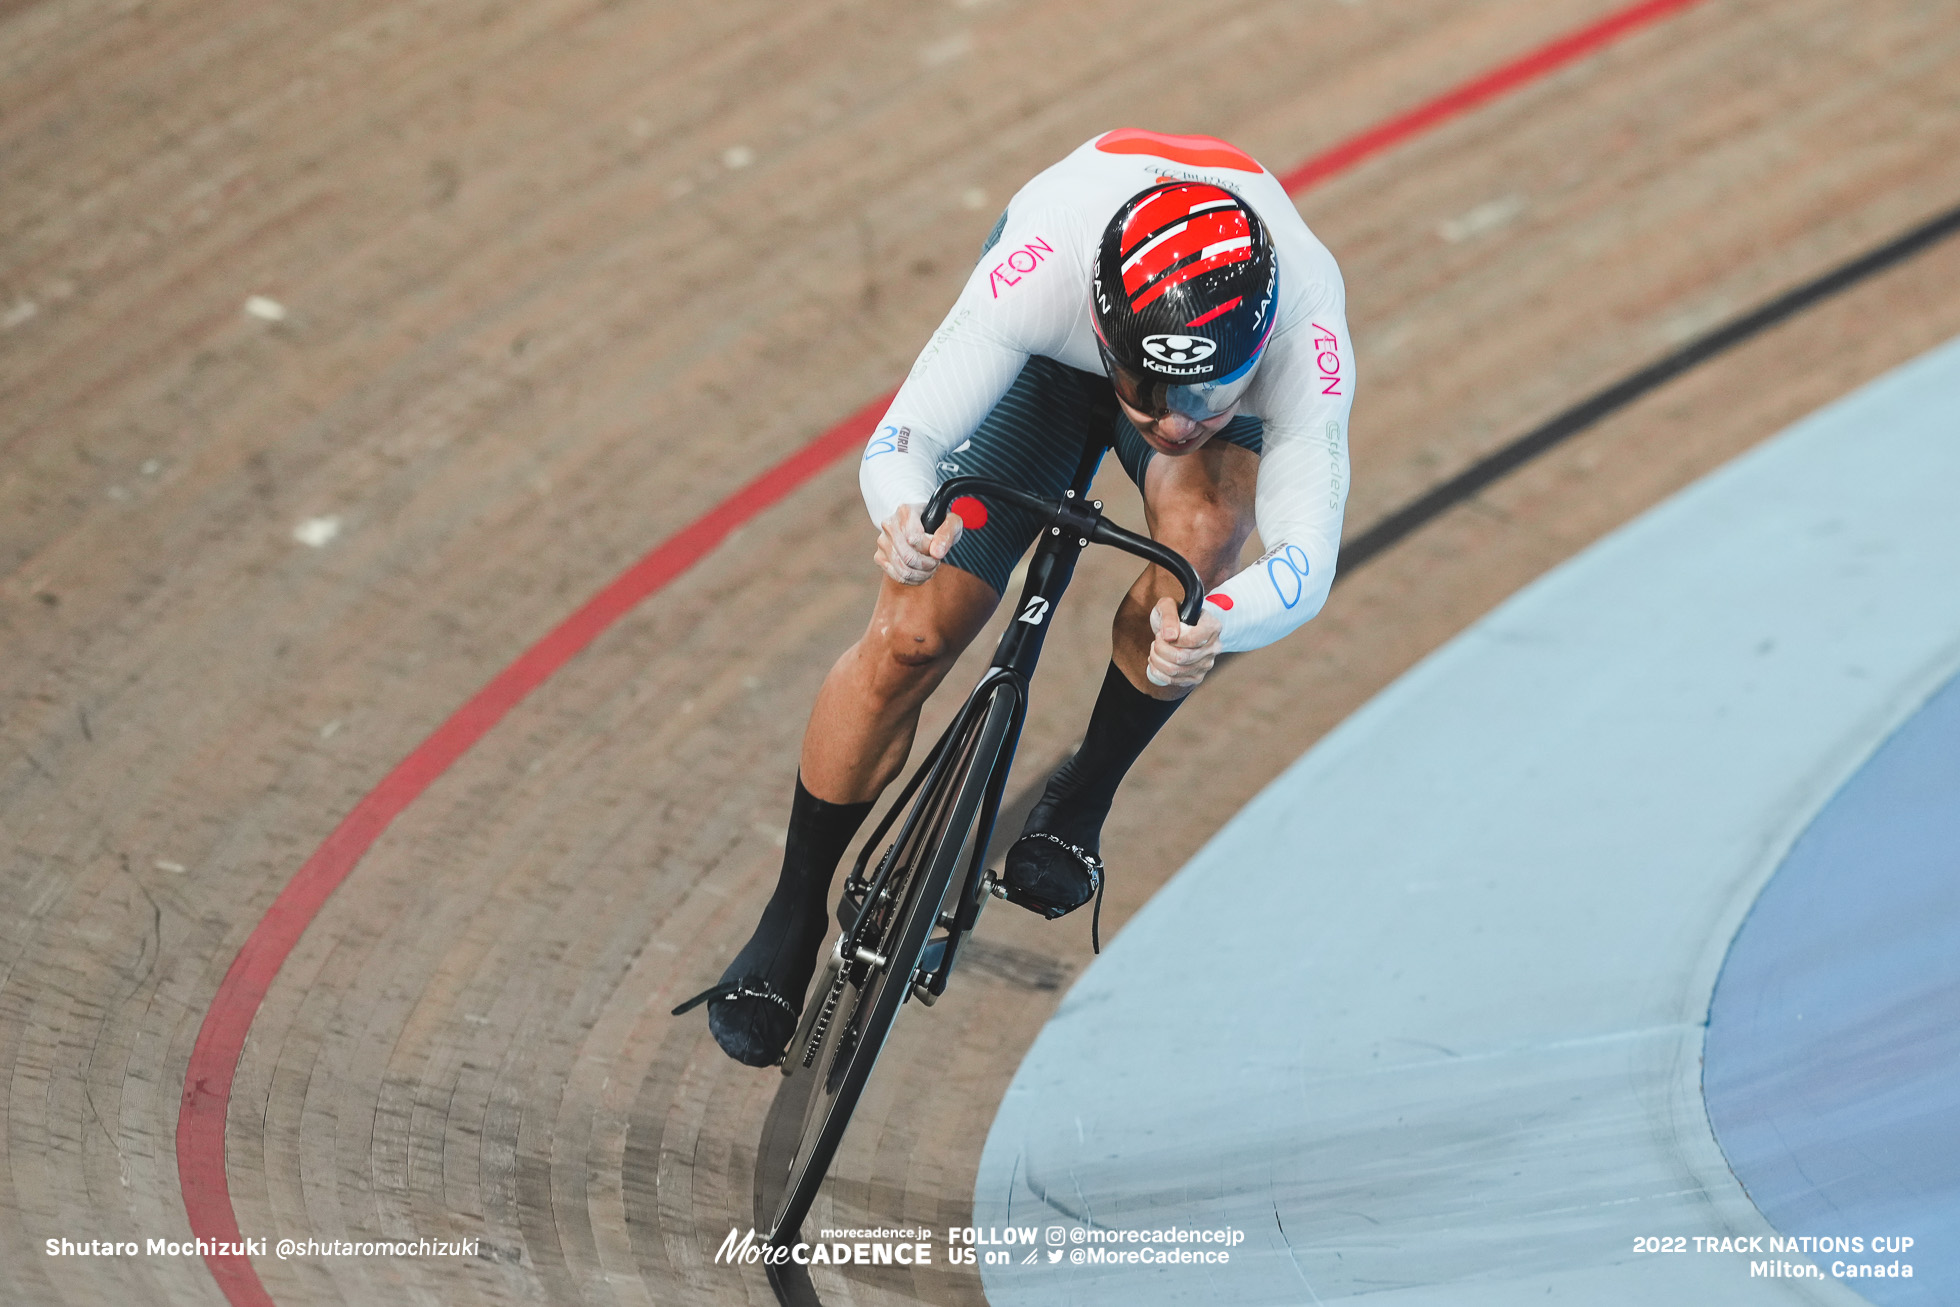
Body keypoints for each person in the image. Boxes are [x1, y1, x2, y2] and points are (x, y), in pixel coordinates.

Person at [680, 128, 1353, 1066]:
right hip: (1045, 362)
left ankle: (1080, 800)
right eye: (1146, 390)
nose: (1172, 422)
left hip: (1177, 357)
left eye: (1204, 395)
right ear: (1104, 324)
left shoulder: (1305, 327)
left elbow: (1308, 558)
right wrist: (905, 517)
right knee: (912, 634)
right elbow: (901, 438)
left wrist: (1218, 621)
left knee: (1199, 557)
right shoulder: (1044, 265)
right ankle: (791, 912)